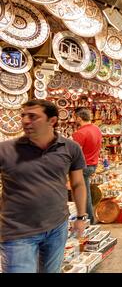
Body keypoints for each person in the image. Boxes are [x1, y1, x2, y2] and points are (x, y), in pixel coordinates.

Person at [0, 100, 87, 273]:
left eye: (33, 116)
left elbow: (78, 184)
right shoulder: (5, 150)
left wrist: (81, 217)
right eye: (23, 115)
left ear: (52, 121)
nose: (25, 121)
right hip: (18, 233)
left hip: (57, 227)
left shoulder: (70, 148)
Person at [72, 107, 102, 224]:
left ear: (79, 118)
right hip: (92, 165)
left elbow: (74, 154)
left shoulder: (79, 133)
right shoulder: (97, 129)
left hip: (82, 167)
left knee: (83, 196)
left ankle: (88, 221)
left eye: (75, 117)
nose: (74, 120)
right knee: (85, 194)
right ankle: (89, 220)